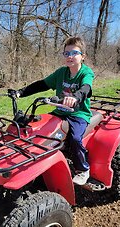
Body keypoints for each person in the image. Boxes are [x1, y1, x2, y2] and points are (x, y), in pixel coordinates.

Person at [14, 36, 94, 185]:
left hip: (78, 114)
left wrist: (76, 97)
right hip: (60, 111)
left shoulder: (86, 73)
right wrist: (20, 92)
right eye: (66, 53)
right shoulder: (61, 73)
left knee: (76, 139)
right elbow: (42, 84)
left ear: (83, 56)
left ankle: (83, 169)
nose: (70, 56)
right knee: (38, 130)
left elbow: (86, 88)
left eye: (74, 53)